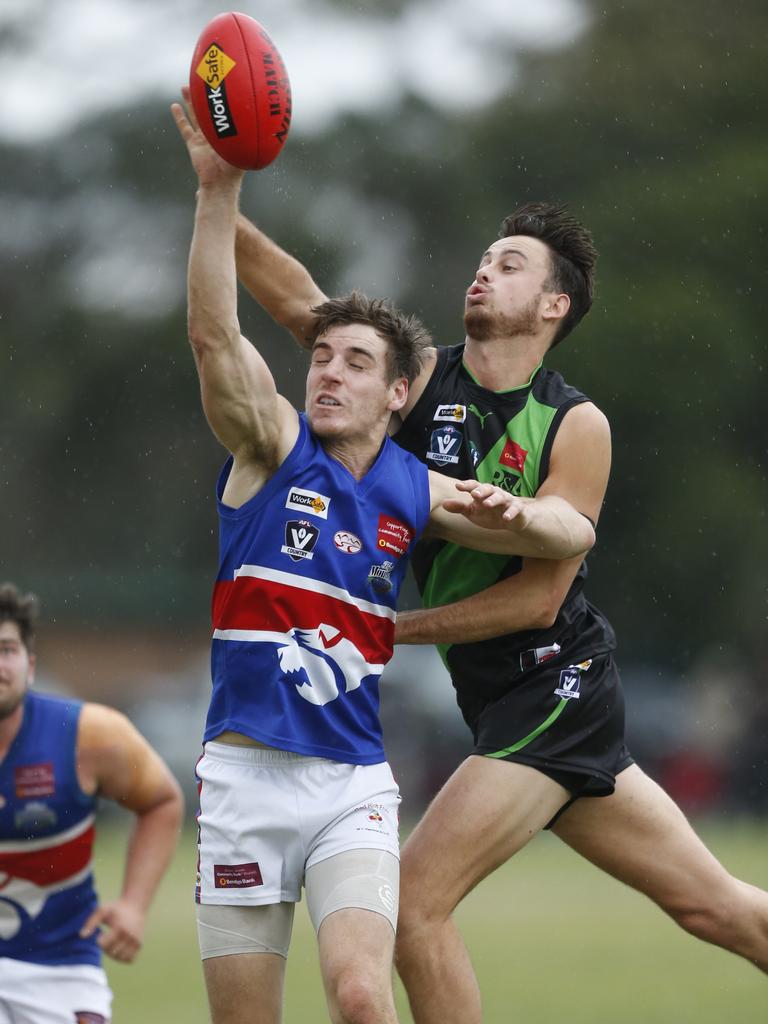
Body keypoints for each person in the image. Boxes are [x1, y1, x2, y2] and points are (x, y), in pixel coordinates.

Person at [230, 197, 768, 1018]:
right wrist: (216, 204)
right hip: (502, 698)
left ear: (556, 305)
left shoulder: (577, 423)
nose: (484, 270)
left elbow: (538, 595)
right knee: (714, 907)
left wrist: (388, 630)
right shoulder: (413, 388)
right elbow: (308, 307)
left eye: (510, 264)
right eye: (484, 258)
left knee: (411, 906)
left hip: (555, 684)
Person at [170, 98, 594, 1024]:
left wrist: (528, 511)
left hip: (351, 784)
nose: (326, 371)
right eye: (320, 357)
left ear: (399, 392)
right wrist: (218, 193)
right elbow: (216, 335)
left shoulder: (414, 484)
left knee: (364, 995)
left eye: (355, 362)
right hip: (241, 783)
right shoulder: (271, 445)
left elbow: (564, 541)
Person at [0, 582, 184, 1024]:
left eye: (6, 649)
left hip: (60, 969)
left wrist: (134, 906)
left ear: (30, 666)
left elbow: (162, 801)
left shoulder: (90, 736)